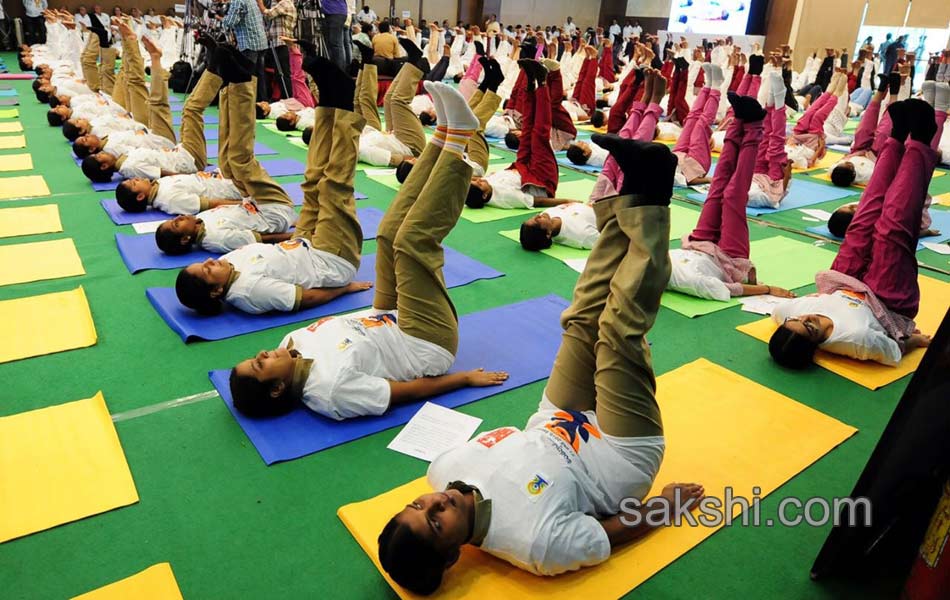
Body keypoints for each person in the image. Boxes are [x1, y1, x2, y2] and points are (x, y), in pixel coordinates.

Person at [377, 133, 706, 594]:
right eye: (435, 523)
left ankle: (630, 192)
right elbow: (608, 534)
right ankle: (654, 201)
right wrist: (663, 508)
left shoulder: (443, 467)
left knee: (579, 320)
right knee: (618, 334)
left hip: (553, 422)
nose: (435, 503)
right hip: (616, 459)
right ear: (453, 554)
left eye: (418, 504)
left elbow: (513, 441)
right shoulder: (535, 545)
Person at [227, 78, 510, 420]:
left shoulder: (291, 343)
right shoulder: (331, 393)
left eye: (256, 356)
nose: (262, 353)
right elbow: (402, 393)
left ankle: (445, 135)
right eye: (260, 364)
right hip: (423, 342)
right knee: (413, 242)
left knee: (389, 234)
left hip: (386, 315)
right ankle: (462, 140)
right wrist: (463, 378)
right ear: (277, 389)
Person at [175, 55, 370, 316]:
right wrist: (344, 288)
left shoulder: (225, 262)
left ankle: (330, 104)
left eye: (203, 263)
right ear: (216, 292)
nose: (210, 261)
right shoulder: (249, 293)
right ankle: (345, 106)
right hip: (329, 261)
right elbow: (305, 298)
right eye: (208, 270)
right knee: (334, 188)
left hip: (301, 243)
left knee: (312, 183)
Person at [769, 99, 937, 368]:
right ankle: (920, 140)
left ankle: (895, 140)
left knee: (862, 221)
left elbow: (778, 309)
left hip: (843, 280)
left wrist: (768, 289)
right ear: (816, 346)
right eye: (810, 328)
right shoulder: (853, 341)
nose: (808, 318)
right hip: (886, 301)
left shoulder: (788, 314)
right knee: (892, 230)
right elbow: (893, 351)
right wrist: (914, 341)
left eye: (798, 321)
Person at [669, 92, 794, 302]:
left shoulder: (652, 263)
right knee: (733, 196)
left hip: (698, 242)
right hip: (729, 258)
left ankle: (738, 121)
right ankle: (754, 126)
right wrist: (768, 289)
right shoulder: (686, 282)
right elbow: (730, 289)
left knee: (717, 188)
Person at [81, 31, 219, 183]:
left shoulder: (123, 158)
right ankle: (216, 66)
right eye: (98, 155)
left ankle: (213, 66)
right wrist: (197, 177)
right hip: (187, 158)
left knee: (147, 92)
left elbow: (155, 156)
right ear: (104, 166)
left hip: (175, 149)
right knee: (188, 108)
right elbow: (164, 174)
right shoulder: (128, 167)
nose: (101, 152)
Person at [466, 60, 572, 210]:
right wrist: (569, 201)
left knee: (528, 127)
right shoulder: (506, 198)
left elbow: (473, 181)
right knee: (539, 132)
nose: (479, 181)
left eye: (475, 181)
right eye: (479, 184)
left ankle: (530, 85)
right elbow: (538, 202)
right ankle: (542, 83)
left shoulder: (485, 187)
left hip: (522, 166)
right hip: (541, 177)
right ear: (484, 196)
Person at [216, 0, 268, 100]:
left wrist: (219, 18)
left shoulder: (237, 1)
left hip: (249, 43)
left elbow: (230, 22)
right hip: (261, 42)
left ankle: (247, 104)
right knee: (259, 77)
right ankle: (262, 105)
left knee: (247, 77)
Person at [257, 0, 296, 100]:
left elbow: (269, 14)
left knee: (283, 74)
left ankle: (288, 99)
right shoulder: (279, 4)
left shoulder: (285, 3)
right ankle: (284, 98)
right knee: (279, 74)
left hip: (282, 44)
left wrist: (260, 3)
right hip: (277, 44)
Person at [322, 0, 350, 71]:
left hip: (336, 12)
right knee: (329, 44)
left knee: (335, 44)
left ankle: (339, 72)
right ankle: (333, 71)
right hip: (328, 12)